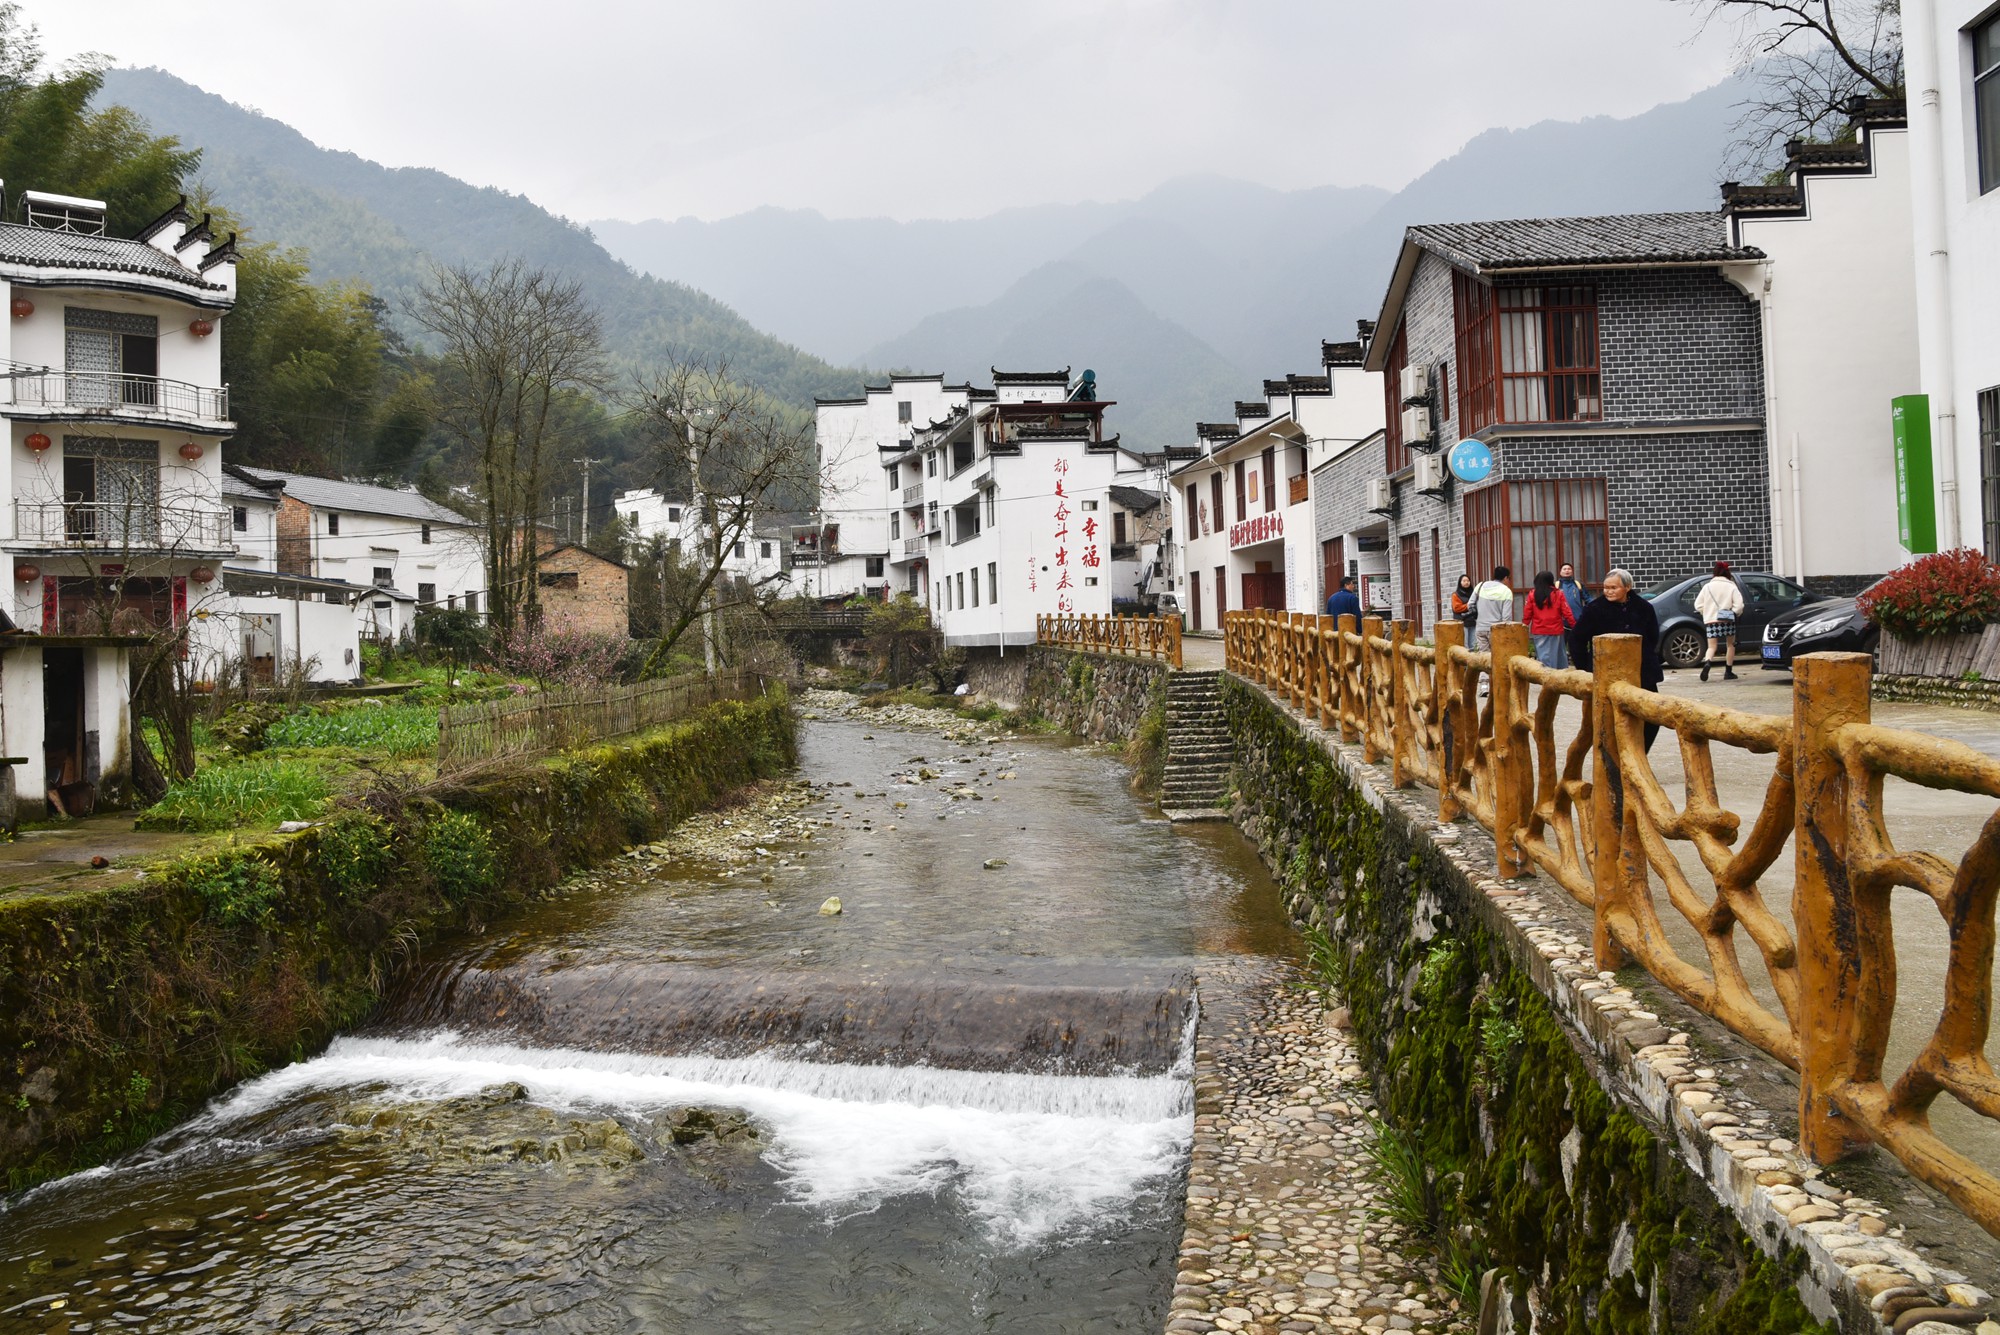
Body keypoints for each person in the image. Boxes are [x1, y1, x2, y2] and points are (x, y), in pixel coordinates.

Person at [1568, 567, 1665, 751]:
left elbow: (1652, 636)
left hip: (1642, 673)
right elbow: (1576, 639)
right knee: (1608, 721)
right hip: (1606, 675)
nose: (1609, 591)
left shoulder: (1644, 608)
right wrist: (1586, 669)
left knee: (1652, 717)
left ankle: (1639, 756)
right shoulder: (1594, 609)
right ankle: (1616, 763)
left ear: (1627, 587)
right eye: (1606, 587)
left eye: (1614, 588)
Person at [1693, 560, 1744, 682]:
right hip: (1728, 620)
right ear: (1727, 573)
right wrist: (1734, 612)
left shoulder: (1707, 587)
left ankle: (1708, 663)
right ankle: (1728, 671)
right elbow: (1739, 606)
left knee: (1712, 647)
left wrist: (1707, 612)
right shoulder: (1732, 586)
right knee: (1730, 645)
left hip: (1711, 621)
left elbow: (1697, 605)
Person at [1523, 569, 1576, 668]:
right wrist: (1575, 626)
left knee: (1544, 659)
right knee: (1559, 657)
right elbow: (1567, 612)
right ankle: (1560, 679)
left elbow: (1527, 613)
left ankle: (1546, 681)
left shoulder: (1532, 594)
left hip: (1539, 630)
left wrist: (1524, 626)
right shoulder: (1558, 594)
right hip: (1556, 630)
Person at [1471, 566, 1515, 652]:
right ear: (1505, 578)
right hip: (1496, 630)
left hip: (1480, 628)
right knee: (1497, 658)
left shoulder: (1480, 585)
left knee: (1484, 659)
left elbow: (1470, 604)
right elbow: (1506, 617)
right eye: (1509, 578)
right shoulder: (1506, 591)